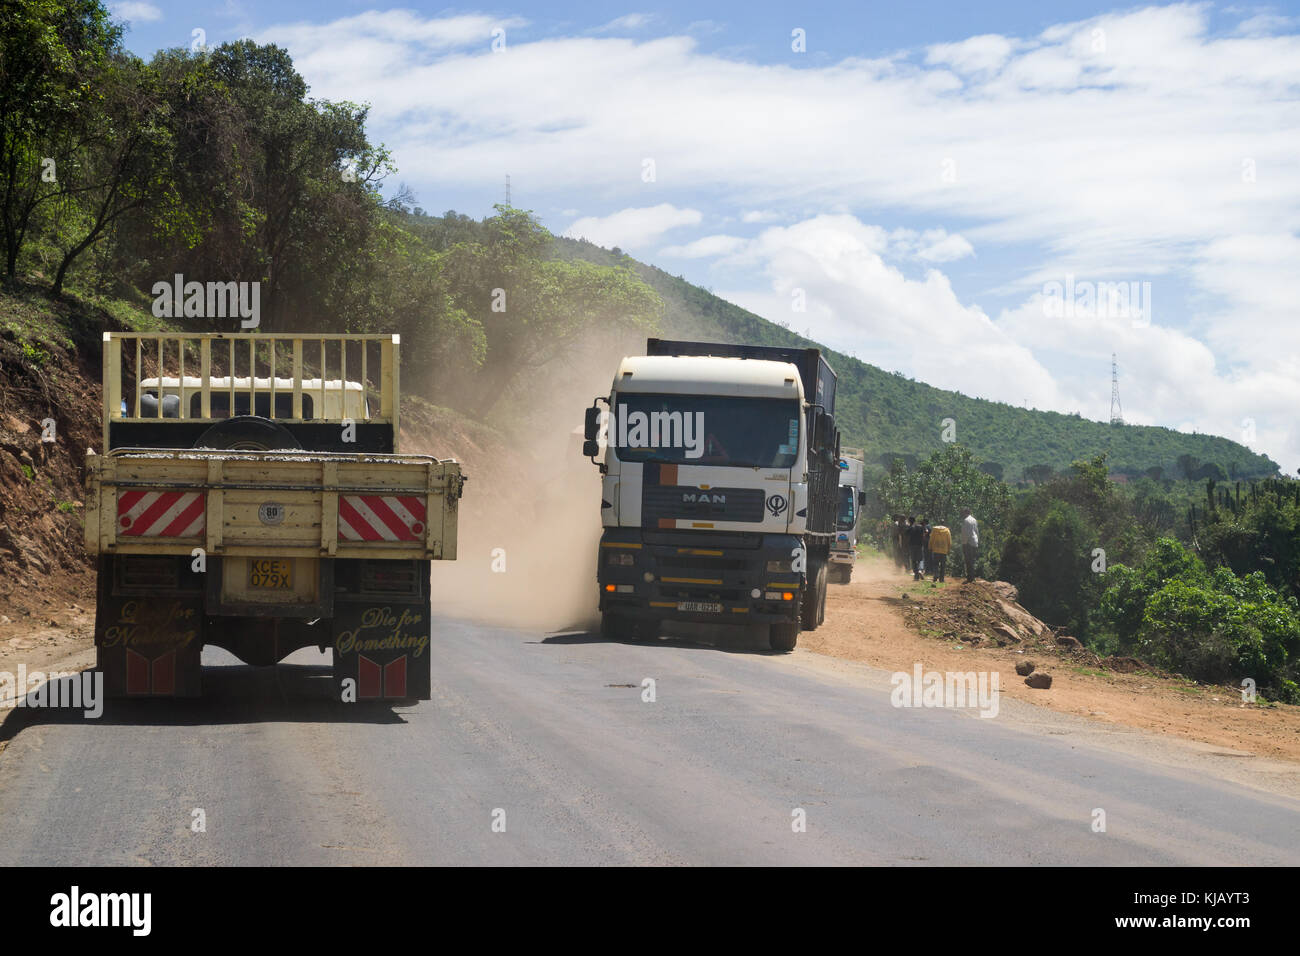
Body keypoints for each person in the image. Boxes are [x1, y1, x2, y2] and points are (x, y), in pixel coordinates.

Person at [960, 508, 979, 583]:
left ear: (965, 513)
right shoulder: (974, 520)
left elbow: (965, 533)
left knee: (968, 560)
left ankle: (970, 578)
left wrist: (964, 543)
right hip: (974, 542)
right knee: (972, 560)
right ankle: (972, 577)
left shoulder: (966, 520)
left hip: (968, 543)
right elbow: (977, 531)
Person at [906, 516, 924, 581]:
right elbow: (923, 535)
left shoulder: (910, 528)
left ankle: (916, 575)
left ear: (909, 521)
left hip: (912, 545)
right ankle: (920, 570)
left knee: (913, 560)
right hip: (919, 545)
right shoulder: (920, 527)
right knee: (920, 559)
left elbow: (906, 534)